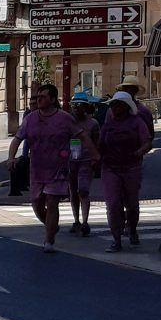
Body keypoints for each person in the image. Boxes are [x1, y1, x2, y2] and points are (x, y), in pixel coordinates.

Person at [7, 84, 95, 253]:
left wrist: (95, 154)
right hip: (37, 170)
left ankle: (49, 241)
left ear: (53, 99)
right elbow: (17, 139)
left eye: (43, 97)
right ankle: (52, 225)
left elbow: (81, 136)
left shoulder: (64, 118)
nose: (39, 99)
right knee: (37, 204)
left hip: (58, 169)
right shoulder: (31, 119)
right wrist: (11, 158)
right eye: (38, 97)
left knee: (52, 202)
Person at [99, 92, 153, 252]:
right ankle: (116, 239)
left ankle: (132, 229)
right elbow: (100, 144)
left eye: (117, 104)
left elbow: (147, 142)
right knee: (113, 204)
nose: (113, 108)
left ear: (126, 106)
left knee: (131, 204)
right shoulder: (107, 125)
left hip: (131, 167)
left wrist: (138, 152)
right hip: (110, 167)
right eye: (112, 105)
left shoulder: (136, 122)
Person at [68, 93, 100, 237]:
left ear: (85, 107)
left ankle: (85, 221)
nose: (76, 108)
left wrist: (95, 158)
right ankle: (76, 220)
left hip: (86, 161)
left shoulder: (93, 123)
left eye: (80, 105)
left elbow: (97, 142)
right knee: (72, 191)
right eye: (74, 105)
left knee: (83, 190)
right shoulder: (68, 122)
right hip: (70, 160)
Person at [9, 95, 37, 197]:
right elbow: (18, 137)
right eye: (31, 104)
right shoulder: (28, 115)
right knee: (24, 159)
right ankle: (23, 184)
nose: (32, 106)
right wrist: (11, 158)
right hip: (28, 140)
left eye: (34, 104)